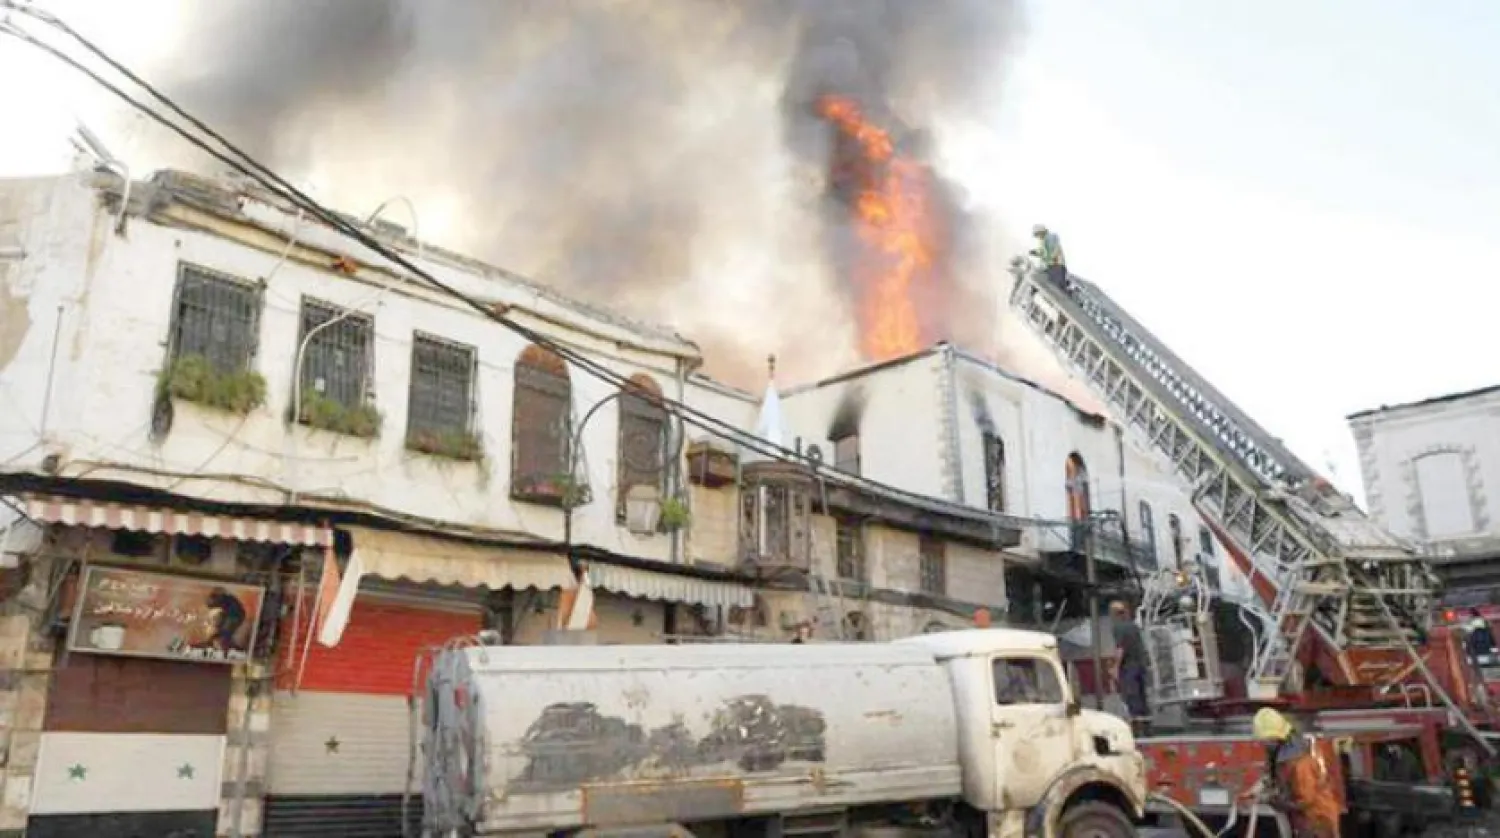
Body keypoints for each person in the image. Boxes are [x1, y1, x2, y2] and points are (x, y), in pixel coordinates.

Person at [1252, 708, 1342, 838]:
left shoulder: (1300, 763)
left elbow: (1306, 800)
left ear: (1274, 737)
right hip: (1308, 819)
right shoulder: (1284, 753)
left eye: (1264, 739)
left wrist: (1278, 803)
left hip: (1317, 820)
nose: (1262, 743)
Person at [1108, 600, 1151, 737]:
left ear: (1114, 614)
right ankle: (1147, 728)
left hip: (1128, 667)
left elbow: (1120, 649)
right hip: (1140, 666)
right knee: (1142, 696)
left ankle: (1137, 730)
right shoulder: (1133, 626)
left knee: (1131, 697)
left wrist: (1115, 668)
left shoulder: (1118, 627)